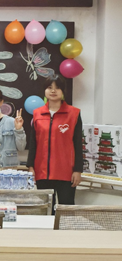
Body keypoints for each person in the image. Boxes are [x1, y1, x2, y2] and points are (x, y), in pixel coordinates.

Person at [27, 75, 82, 209]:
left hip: (66, 172)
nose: (53, 91)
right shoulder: (37, 114)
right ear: (44, 90)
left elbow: (78, 144)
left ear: (63, 91)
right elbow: (33, 143)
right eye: (49, 87)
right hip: (42, 172)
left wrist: (78, 170)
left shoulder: (73, 114)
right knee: (45, 210)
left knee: (66, 211)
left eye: (57, 88)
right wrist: (30, 166)